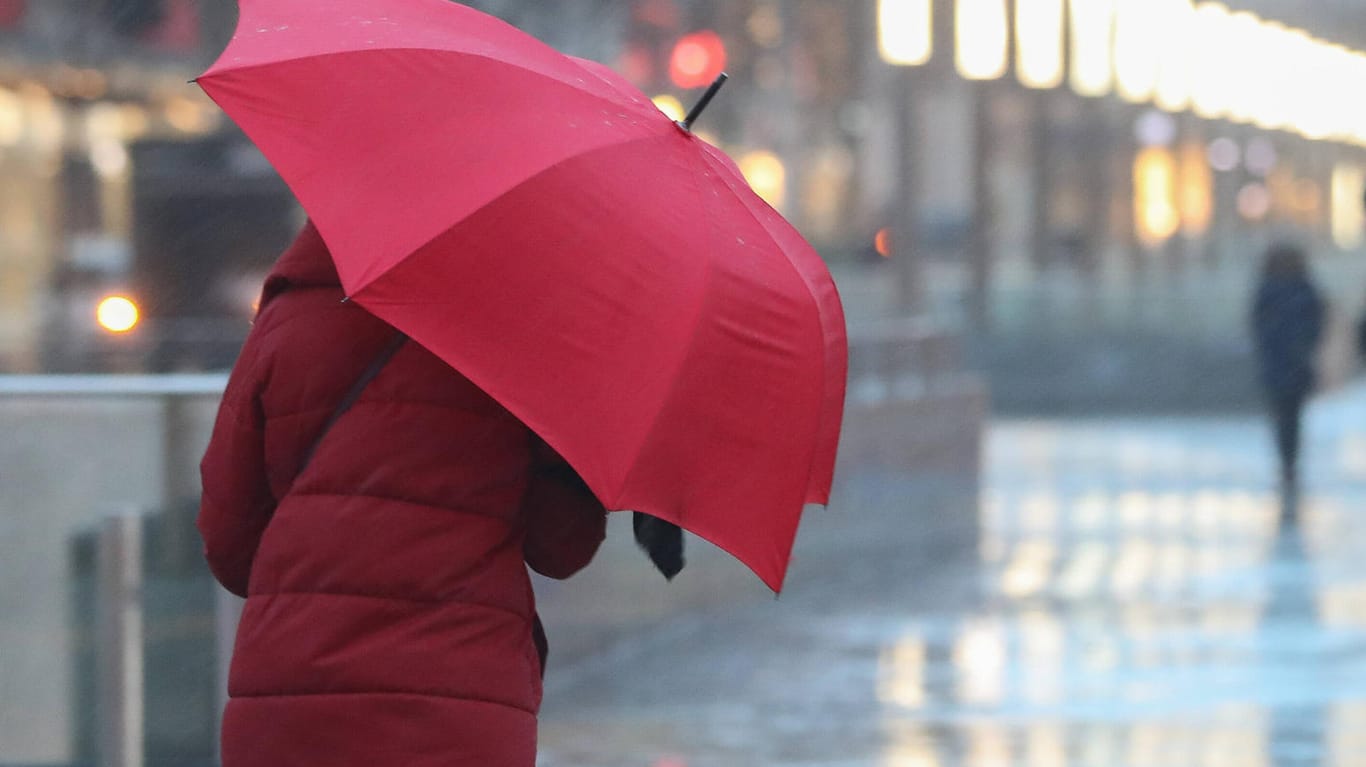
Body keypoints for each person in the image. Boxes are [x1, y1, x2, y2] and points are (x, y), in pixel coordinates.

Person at [198, 221, 607, 766]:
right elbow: (562, 547)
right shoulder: (521, 337)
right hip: (458, 702)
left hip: (291, 698)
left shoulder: (288, 321)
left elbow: (231, 547)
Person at [1250, 241, 1325, 502]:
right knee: (1290, 417)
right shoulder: (1301, 288)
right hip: (1292, 364)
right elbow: (1315, 322)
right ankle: (1289, 463)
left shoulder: (1274, 289)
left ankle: (1287, 463)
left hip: (1283, 364)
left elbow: (1259, 325)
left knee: (1285, 416)